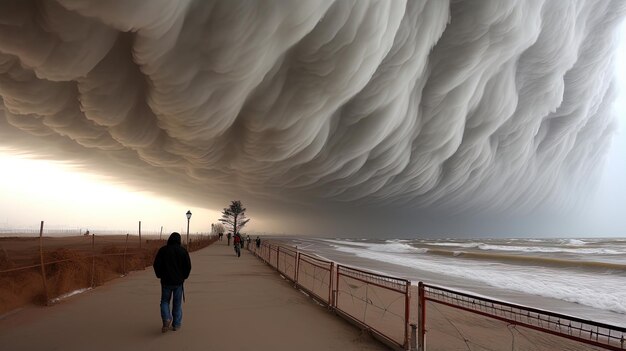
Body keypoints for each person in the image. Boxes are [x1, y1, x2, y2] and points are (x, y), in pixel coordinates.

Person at [153, 232, 191, 333]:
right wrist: (184, 276)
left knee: (165, 301)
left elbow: (156, 264)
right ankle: (176, 324)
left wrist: (159, 275)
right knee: (177, 303)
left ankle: (166, 318)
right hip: (178, 282)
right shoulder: (183, 251)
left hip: (166, 281)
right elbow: (188, 266)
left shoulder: (163, 250)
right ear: (179, 240)